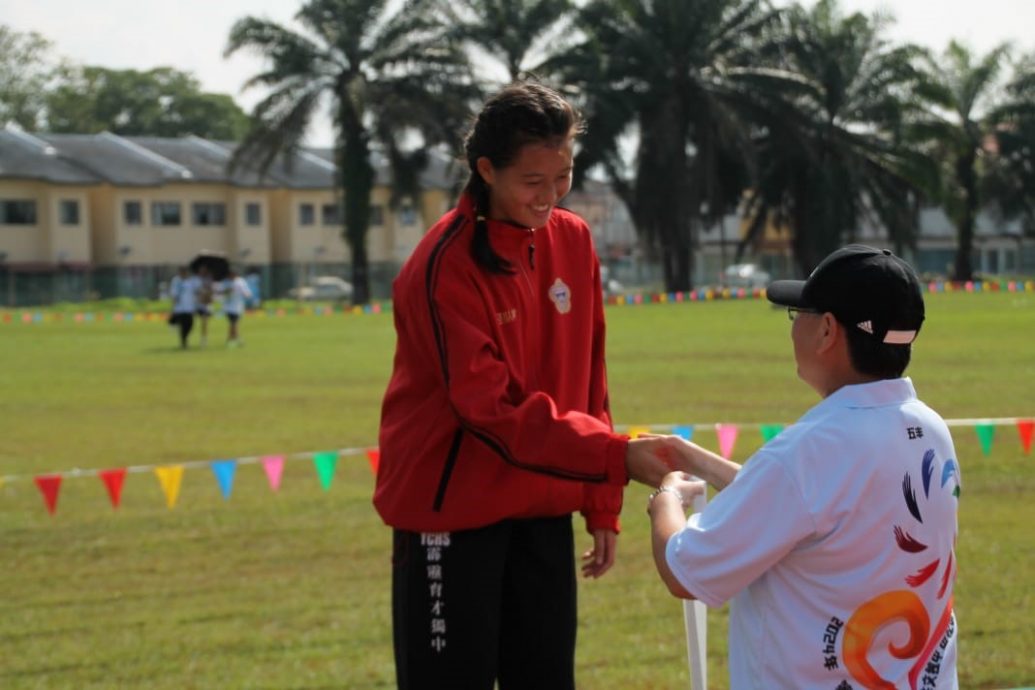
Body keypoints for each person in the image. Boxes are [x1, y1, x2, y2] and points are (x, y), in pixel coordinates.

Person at [373, 82, 677, 690]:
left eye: (563, 177)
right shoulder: (444, 264)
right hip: (451, 517)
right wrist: (615, 458)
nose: (550, 196)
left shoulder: (573, 239)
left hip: (542, 504)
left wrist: (600, 503)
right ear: (486, 170)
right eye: (532, 182)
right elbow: (490, 409)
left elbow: (589, 377)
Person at [649, 245, 960, 689]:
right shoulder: (930, 428)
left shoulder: (806, 454)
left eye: (798, 314)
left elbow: (684, 571)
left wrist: (665, 499)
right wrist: (694, 458)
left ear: (828, 329)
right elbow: (810, 512)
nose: (794, 328)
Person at [219, 268, 253, 347]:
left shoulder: (240, 281)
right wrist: (227, 291)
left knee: (233, 324)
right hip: (228, 306)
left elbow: (246, 292)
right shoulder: (225, 282)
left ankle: (230, 339)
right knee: (233, 323)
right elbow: (220, 292)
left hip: (237, 306)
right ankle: (237, 340)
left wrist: (246, 294)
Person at [168, 266, 199, 349]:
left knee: (190, 325)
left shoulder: (191, 281)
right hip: (180, 308)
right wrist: (173, 306)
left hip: (189, 307)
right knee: (183, 325)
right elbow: (173, 294)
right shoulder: (176, 281)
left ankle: (184, 338)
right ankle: (184, 342)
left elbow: (195, 292)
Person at [195, 264, 214, 347]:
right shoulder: (196, 280)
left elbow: (211, 292)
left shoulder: (209, 279)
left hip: (205, 304)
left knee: (204, 322)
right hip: (197, 304)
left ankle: (204, 338)